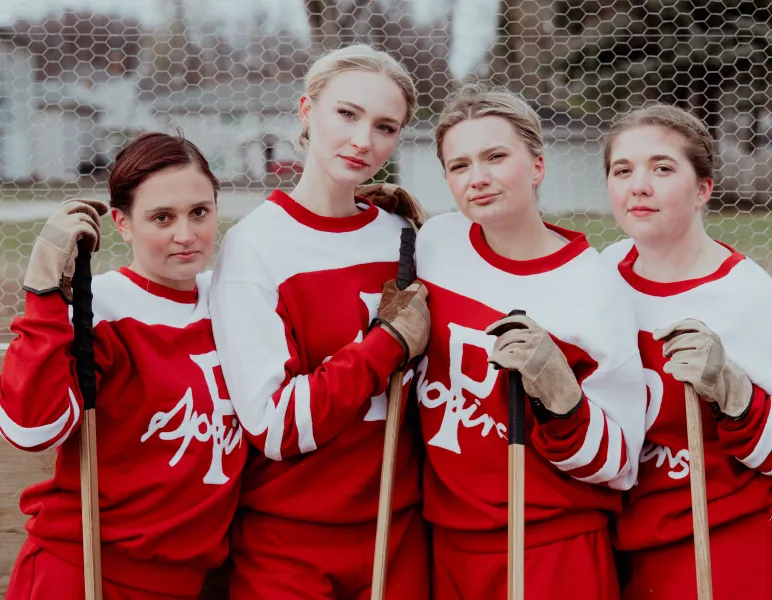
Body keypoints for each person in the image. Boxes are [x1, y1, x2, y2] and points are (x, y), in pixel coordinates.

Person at [209, 43, 430, 600]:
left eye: (385, 126)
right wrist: (385, 345)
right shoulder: (256, 246)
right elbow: (275, 426)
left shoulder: (405, 238)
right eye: (347, 114)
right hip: (291, 544)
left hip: (398, 531)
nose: (363, 141)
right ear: (307, 111)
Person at [414, 85, 647, 600]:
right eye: (458, 166)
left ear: (538, 166)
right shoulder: (435, 243)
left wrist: (562, 401)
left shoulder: (592, 286)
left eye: (496, 157)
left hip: (550, 544)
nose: (477, 178)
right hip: (448, 538)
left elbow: (620, 462)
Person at [601, 103, 772, 600]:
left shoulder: (747, 299)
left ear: (703, 189)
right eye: (623, 170)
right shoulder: (606, 273)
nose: (638, 185)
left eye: (662, 168)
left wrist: (739, 399)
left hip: (741, 543)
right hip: (641, 543)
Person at [1, 132, 247, 599]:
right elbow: (31, 429)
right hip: (84, 573)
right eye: (161, 218)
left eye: (200, 212)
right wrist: (44, 299)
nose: (186, 235)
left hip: (192, 582)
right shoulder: (101, 308)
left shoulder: (234, 298)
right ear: (122, 222)